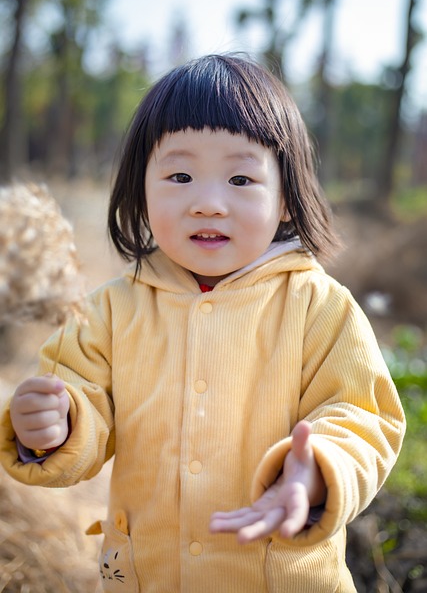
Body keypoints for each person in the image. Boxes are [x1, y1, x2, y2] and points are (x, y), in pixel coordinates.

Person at [0, 54, 405, 593]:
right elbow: (83, 402)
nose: (209, 203)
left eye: (241, 178)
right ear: (141, 188)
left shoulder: (318, 306)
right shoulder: (107, 312)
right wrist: (51, 426)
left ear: (285, 197)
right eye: (180, 175)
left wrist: (317, 471)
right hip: (146, 577)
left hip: (280, 578)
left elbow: (364, 414)